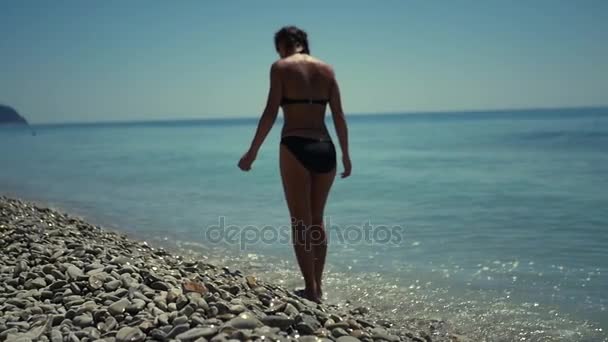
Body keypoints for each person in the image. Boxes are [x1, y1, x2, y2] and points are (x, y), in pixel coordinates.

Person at [238, 26, 351, 303]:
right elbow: (338, 115)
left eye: (278, 48)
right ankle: (319, 287)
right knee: (317, 220)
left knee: (300, 223)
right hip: (326, 148)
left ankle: (310, 289)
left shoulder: (280, 68)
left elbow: (270, 111)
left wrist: (252, 151)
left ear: (284, 45)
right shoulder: (327, 69)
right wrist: (346, 155)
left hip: (295, 145)